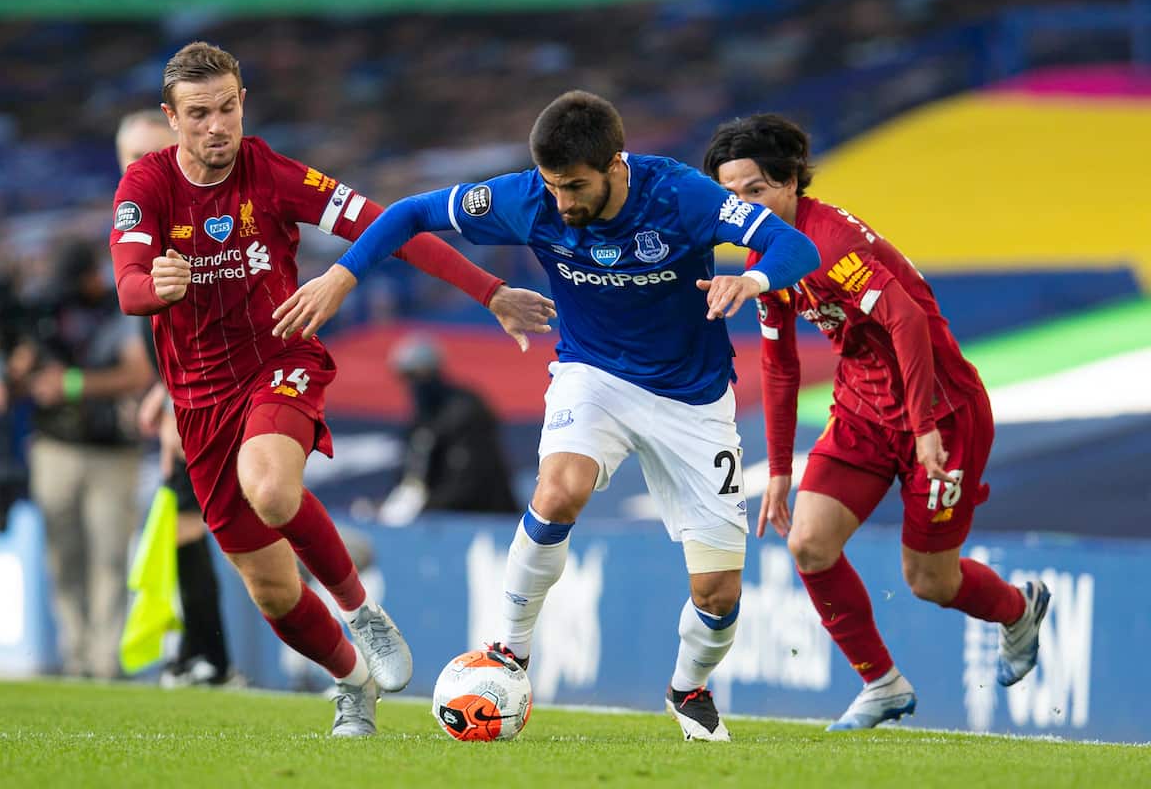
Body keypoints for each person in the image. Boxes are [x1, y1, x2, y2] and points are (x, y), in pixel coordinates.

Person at [272, 90, 820, 741]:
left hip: (692, 400)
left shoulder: (681, 197)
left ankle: (688, 688)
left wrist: (751, 281)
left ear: (616, 164)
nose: (562, 202)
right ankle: (508, 649)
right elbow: (411, 213)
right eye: (553, 186)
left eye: (576, 186)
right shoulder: (525, 197)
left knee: (718, 594)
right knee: (559, 491)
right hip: (594, 375)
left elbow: (794, 248)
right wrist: (343, 275)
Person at [108, 41, 554, 736]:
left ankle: (359, 608)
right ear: (172, 117)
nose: (217, 126)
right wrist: (150, 287)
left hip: (279, 364)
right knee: (272, 588)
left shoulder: (273, 174)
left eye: (227, 108)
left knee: (273, 486)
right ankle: (352, 682)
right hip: (199, 402)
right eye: (199, 114)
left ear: (242, 102)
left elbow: (392, 227)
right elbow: (130, 280)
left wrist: (489, 290)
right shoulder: (146, 187)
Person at [701, 114, 1051, 730]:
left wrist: (923, 427)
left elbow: (908, 321)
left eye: (753, 191)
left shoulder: (830, 242)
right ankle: (882, 684)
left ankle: (1018, 610)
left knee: (929, 580)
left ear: (789, 184)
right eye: (728, 197)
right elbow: (779, 364)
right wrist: (779, 469)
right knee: (808, 542)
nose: (741, 207)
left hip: (942, 411)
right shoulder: (766, 257)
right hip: (862, 409)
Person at [0, 240, 155, 679]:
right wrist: (8, 385)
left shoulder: (120, 308)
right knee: (64, 555)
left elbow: (139, 373)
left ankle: (105, 661)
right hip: (55, 447)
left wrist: (74, 384)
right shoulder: (47, 312)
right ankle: (75, 655)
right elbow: (25, 369)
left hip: (112, 453)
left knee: (109, 556)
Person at [118, 109, 234, 687]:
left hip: (219, 393)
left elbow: (206, 323)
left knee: (198, 523)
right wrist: (162, 392)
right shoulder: (136, 220)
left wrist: (179, 402)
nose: (143, 166)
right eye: (132, 156)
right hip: (183, 395)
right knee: (188, 521)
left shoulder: (197, 221)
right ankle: (200, 652)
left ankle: (210, 655)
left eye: (152, 153)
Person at [376, 334, 520, 526]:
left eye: (418, 375)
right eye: (407, 378)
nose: (413, 385)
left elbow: (470, 476)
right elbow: (414, 471)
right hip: (440, 516)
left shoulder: (464, 408)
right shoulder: (422, 417)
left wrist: (425, 508)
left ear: (434, 372)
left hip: (485, 516)